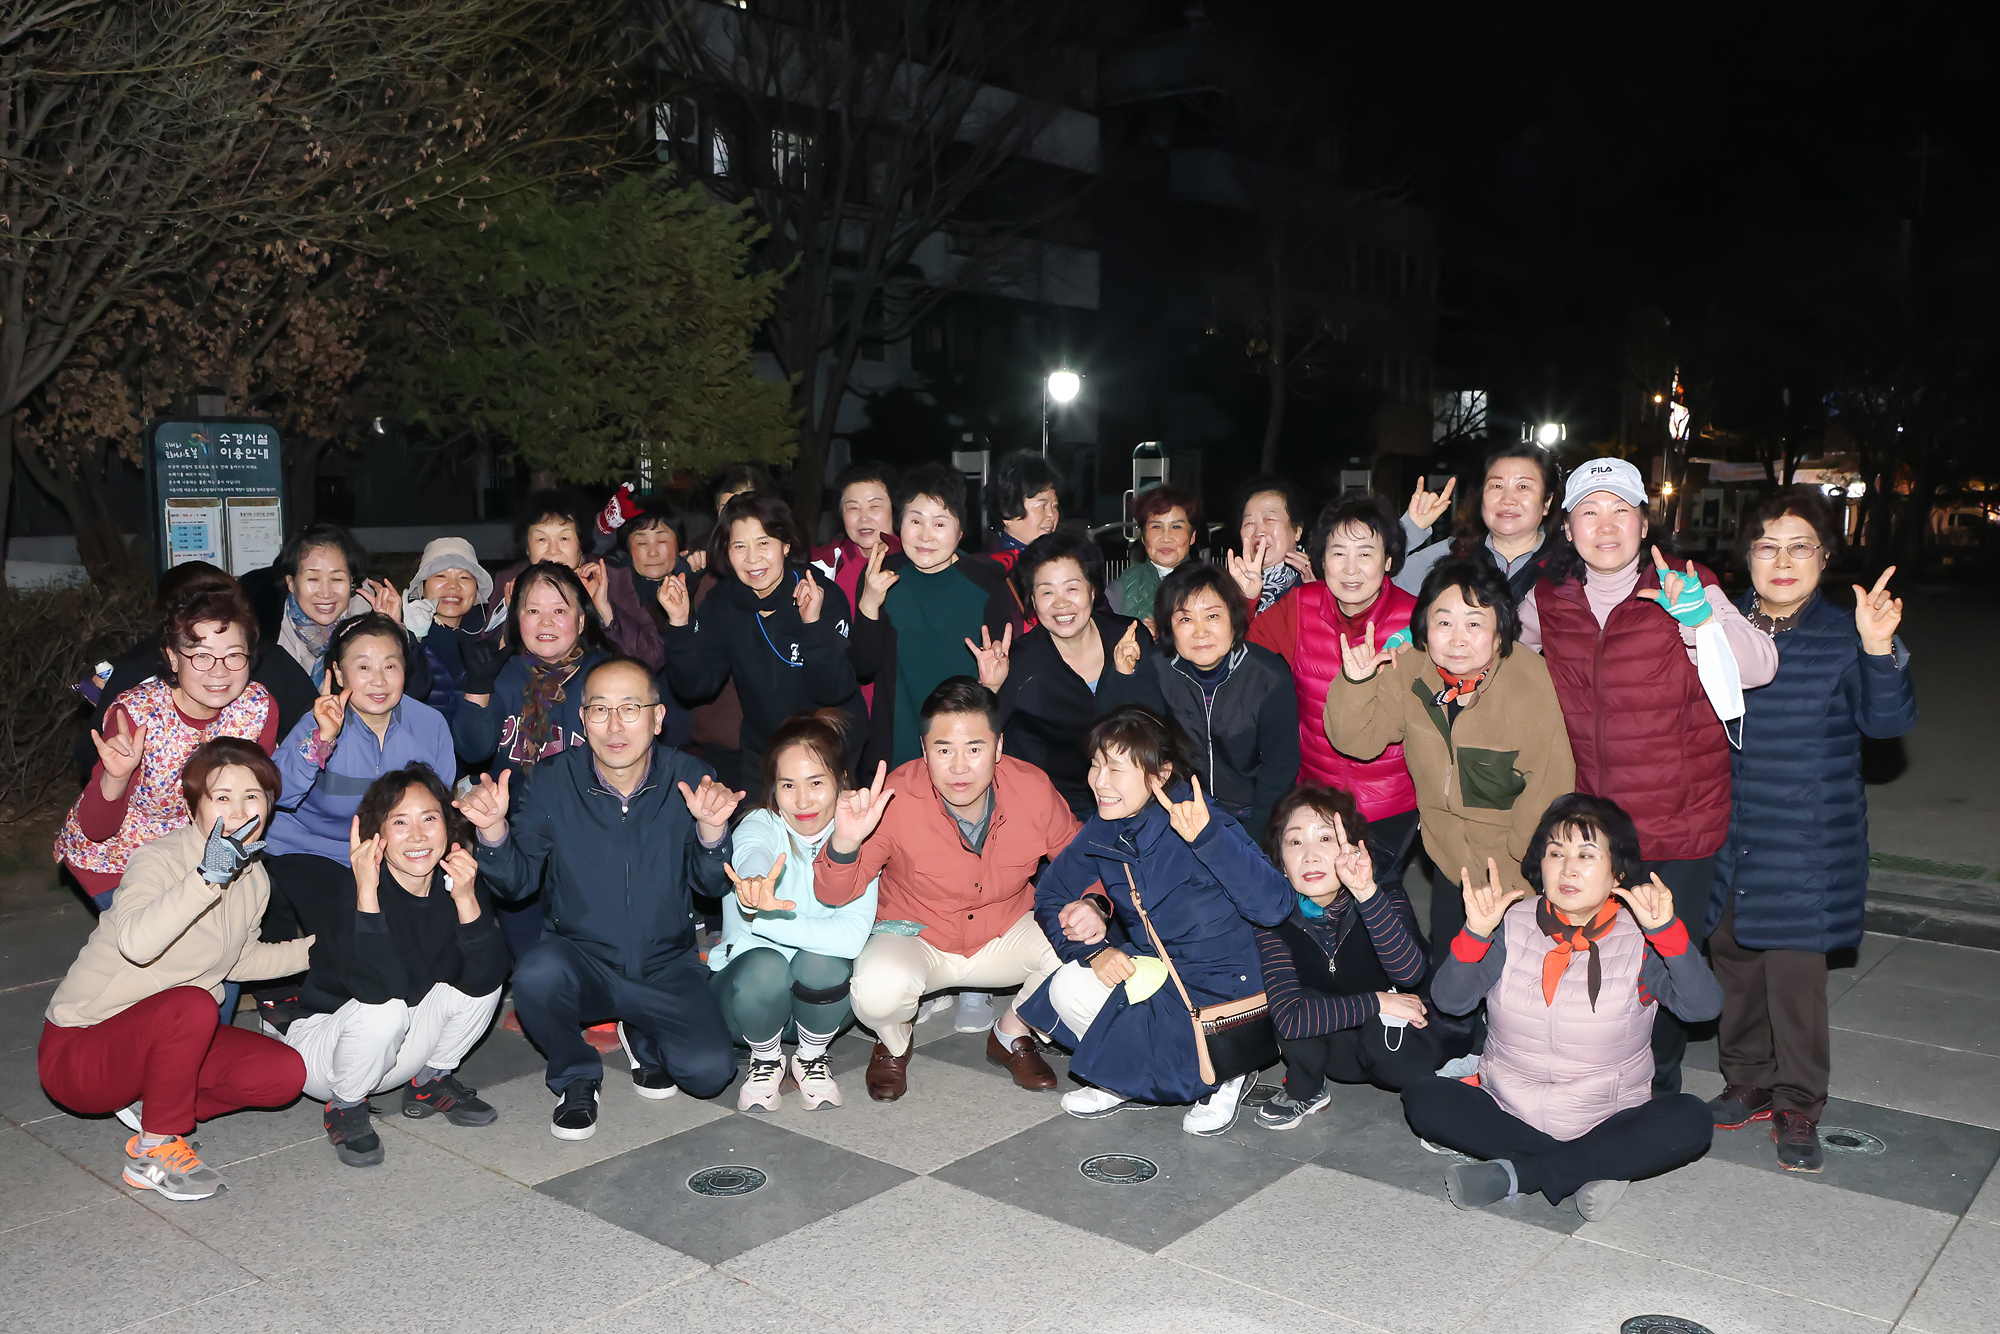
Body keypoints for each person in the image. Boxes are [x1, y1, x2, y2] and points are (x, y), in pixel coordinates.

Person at [1518, 456, 1778, 1093]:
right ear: (1569, 526)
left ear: (1643, 520)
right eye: (1589, 512)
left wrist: (1700, 617)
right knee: (1596, 960)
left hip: (1677, 824)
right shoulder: (1548, 598)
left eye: (1620, 510)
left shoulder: (1687, 582)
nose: (1605, 526)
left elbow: (1758, 667)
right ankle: (1593, 1079)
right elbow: (1503, 659)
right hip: (1594, 831)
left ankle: (1656, 1088)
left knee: (1664, 965)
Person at [1703, 487, 1918, 1172]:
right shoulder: (1718, 623)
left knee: (1794, 975)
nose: (1783, 560)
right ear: (1746, 557)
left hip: (1807, 834)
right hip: (1728, 826)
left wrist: (1879, 649)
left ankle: (1799, 1101)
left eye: (1801, 546)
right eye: (1768, 545)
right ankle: (1747, 1080)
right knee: (1733, 956)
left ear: (1825, 556)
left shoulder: (1845, 631)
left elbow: (1886, 725)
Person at [457, 656, 742, 1139]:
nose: (614, 726)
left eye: (630, 709)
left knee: (710, 1073)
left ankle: (641, 1032)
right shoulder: (550, 781)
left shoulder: (690, 776)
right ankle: (576, 1076)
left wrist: (713, 835)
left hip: (665, 963)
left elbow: (712, 887)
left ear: (657, 718)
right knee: (536, 973)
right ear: (583, 718)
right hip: (582, 959)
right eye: (600, 710)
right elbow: (516, 884)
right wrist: (494, 833)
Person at [1401, 794, 1720, 1221]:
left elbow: (1703, 1009)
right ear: (1541, 865)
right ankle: (1596, 1166)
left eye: (1587, 855)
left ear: (1617, 872)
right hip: (1509, 1108)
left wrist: (1668, 935)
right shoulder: (1512, 922)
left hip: (1607, 1117)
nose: (1568, 868)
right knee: (1425, 1097)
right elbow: (1450, 1001)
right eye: (1556, 853)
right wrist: (1475, 934)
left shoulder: (1640, 937)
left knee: (1691, 1119)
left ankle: (1517, 1174)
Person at [39, 738, 311, 1201]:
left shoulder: (255, 878)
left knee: (284, 1075)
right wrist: (207, 877)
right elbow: (136, 942)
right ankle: (155, 1148)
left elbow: (240, 958)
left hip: (164, 1036)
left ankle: (156, 1103)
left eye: (253, 796)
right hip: (81, 1048)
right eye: (221, 797)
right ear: (194, 808)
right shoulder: (158, 859)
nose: (240, 809)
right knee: (195, 1003)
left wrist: (317, 951)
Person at [1020, 706, 1294, 1135]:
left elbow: (1275, 906)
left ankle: (1228, 1070)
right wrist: (1094, 949)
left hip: (1227, 984)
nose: (1099, 781)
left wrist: (1208, 839)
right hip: (1161, 970)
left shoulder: (1200, 818)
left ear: (1160, 775)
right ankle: (1126, 1073)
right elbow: (1051, 894)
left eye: (1115, 769)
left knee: (1197, 1053)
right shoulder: (1104, 829)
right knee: (1068, 984)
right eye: (1095, 765)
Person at [812, 679, 1076, 1100]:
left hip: (1003, 932)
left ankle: (1011, 1033)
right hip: (919, 936)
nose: (958, 767)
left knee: (1082, 949)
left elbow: (1080, 860)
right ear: (923, 750)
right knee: (876, 990)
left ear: (998, 747)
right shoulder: (895, 798)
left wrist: (1094, 904)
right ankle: (894, 1043)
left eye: (974, 748)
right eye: (943, 750)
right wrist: (844, 842)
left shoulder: (1033, 788)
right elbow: (833, 893)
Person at [1327, 558, 1576, 977]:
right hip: (1448, 861)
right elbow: (1358, 741)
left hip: (1516, 869)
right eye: (1444, 623)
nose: (1457, 640)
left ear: (1500, 633)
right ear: (1424, 627)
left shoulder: (1530, 681)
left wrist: (1524, 872)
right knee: (1451, 975)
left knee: (1517, 980)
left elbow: (1548, 785)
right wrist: (1355, 683)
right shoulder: (1409, 669)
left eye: (1475, 624)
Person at [273, 765, 507, 1166]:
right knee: (386, 1009)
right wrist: (366, 894)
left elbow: (486, 976)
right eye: (400, 822)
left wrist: (468, 901)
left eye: (429, 819)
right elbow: (377, 990)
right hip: (323, 1053)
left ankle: (430, 1082)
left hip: (396, 1045)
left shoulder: (457, 881)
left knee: (485, 979)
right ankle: (344, 1108)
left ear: (448, 827)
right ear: (377, 835)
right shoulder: (354, 888)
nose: (417, 835)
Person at [56, 586, 281, 908]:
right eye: (201, 655)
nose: (219, 671)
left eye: (233, 655)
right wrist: (116, 777)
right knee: (162, 949)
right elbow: (96, 829)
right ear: (174, 658)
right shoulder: (136, 715)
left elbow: (259, 794)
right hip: (119, 861)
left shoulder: (257, 708)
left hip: (202, 853)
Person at [258, 612, 459, 967]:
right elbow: (278, 794)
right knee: (347, 925)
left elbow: (437, 810)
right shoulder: (320, 720)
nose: (378, 681)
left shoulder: (430, 725)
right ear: (338, 673)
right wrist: (322, 739)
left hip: (393, 851)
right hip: (313, 849)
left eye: (390, 666)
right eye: (363, 667)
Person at [1243, 495, 1421, 878]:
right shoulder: (1299, 606)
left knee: (1378, 905)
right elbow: (1241, 658)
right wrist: (1247, 598)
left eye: (1366, 553)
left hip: (1392, 804)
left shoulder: (1419, 619)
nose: (1351, 568)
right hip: (1317, 801)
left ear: (1388, 562)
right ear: (1322, 560)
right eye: (1339, 553)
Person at [709, 711, 879, 1113]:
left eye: (816, 783)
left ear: (841, 781)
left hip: (820, 1009)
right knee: (765, 964)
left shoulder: (857, 836)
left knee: (826, 961)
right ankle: (765, 1059)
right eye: (788, 785)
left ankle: (811, 1057)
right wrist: (752, 883)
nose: (802, 800)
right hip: (746, 1004)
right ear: (773, 787)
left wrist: (766, 918)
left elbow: (851, 938)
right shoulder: (759, 823)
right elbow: (754, 851)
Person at [1251, 785, 1435, 1130]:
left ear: (1350, 848)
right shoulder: (1272, 918)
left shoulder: (1382, 895)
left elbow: (1409, 973)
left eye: (1325, 839)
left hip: (1389, 1043)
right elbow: (1290, 1019)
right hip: (1328, 1043)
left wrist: (1366, 894)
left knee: (1394, 1054)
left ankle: (1440, 1094)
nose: (1310, 856)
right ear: (1282, 863)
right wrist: (1377, 1001)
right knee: (1294, 1007)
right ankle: (1306, 1089)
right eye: (1294, 842)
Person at [451, 562, 611, 957]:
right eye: (532, 609)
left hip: (592, 826)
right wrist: (478, 686)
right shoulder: (498, 671)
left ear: (580, 615)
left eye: (559, 610)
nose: (546, 621)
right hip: (516, 830)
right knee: (533, 962)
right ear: (516, 616)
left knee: (595, 947)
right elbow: (472, 751)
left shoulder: (605, 673)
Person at [658, 491, 863, 779]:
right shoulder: (722, 603)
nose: (753, 558)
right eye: (739, 545)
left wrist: (813, 625)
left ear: (786, 545)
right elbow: (695, 687)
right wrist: (679, 624)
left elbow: (835, 691)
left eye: (764, 542)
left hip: (827, 746)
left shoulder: (819, 593)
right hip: (764, 752)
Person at [970, 531, 1161, 820]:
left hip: (1134, 799)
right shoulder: (1019, 662)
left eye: (1072, 588)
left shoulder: (1130, 637)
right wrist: (990, 688)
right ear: (1031, 601)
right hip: (1056, 808)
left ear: (1093, 591)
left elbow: (1154, 721)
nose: (1061, 604)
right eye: (1047, 592)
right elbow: (981, 738)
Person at [1110, 562, 1299, 840]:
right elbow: (1129, 738)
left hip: (1252, 815)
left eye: (1212, 616)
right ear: (1170, 629)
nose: (1200, 632)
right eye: (1185, 619)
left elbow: (1279, 769)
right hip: (1178, 812)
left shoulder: (1269, 676)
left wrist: (1257, 841)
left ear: (1233, 620)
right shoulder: (1158, 668)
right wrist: (1122, 677)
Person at [848, 462, 1013, 770]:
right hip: (896, 753)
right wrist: (869, 604)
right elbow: (864, 667)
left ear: (960, 531)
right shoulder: (880, 575)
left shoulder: (986, 585)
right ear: (900, 524)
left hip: (964, 756)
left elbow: (1004, 678)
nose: (925, 536)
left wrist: (994, 683)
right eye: (915, 520)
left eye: (939, 524)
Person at [84, 563, 316, 778]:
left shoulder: (265, 684)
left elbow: (311, 729)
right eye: (201, 655)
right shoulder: (138, 684)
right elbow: (96, 757)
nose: (218, 671)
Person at [1394, 443, 1568, 599]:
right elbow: (1376, 585)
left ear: (1547, 502)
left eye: (1523, 487)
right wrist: (1410, 529)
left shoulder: (1569, 564)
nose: (1508, 499)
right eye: (1497, 486)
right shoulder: (1450, 555)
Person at [272, 524, 401, 687]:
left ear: (352, 582)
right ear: (291, 583)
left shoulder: (370, 619)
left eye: (337, 579)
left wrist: (392, 629)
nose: (326, 593)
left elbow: (415, 691)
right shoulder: (268, 629)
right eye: (313, 579)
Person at [403, 536, 498, 733]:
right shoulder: (401, 637)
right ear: (422, 587)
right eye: (440, 576)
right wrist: (413, 638)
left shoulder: (492, 636)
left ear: (477, 590)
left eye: (464, 577)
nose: (453, 586)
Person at [480, 489, 597, 626]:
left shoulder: (607, 579)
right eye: (541, 539)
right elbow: (489, 643)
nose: (553, 550)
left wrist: (599, 608)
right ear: (527, 549)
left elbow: (625, 644)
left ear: (581, 545)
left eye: (564, 538)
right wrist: (512, 614)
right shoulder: (509, 581)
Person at [1113, 484, 1201, 623]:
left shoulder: (1213, 584)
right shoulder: (1122, 586)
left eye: (1176, 527)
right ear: (1143, 537)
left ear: (1192, 537)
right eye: (1156, 526)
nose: (1166, 537)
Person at [1231, 474, 1312, 614]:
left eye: (1269, 519)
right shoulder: (1226, 591)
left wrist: (1316, 594)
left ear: (1297, 531)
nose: (1258, 532)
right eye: (1249, 523)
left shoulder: (1322, 585)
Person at [986, 451, 1062, 571]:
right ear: (1007, 512)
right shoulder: (987, 569)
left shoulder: (1063, 558)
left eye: (1054, 506)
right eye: (1041, 506)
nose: (1051, 516)